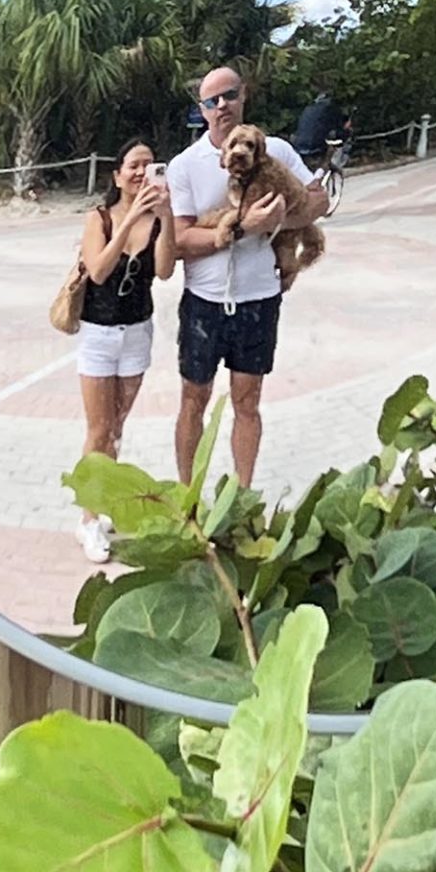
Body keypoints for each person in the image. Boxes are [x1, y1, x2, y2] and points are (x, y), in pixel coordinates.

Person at [167, 65, 327, 488]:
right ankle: (189, 498)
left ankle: (242, 495)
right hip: (204, 299)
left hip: (259, 297)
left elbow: (318, 201)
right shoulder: (186, 165)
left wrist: (285, 217)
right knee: (192, 400)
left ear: (244, 97)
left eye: (229, 95)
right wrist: (244, 226)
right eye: (211, 101)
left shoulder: (277, 151)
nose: (222, 106)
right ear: (201, 110)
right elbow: (180, 240)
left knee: (248, 401)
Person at [74, 138, 176, 564]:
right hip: (98, 335)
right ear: (117, 175)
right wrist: (130, 215)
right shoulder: (99, 218)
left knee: (116, 428)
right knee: (98, 431)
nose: (142, 172)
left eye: (150, 165)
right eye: (134, 165)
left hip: (137, 332)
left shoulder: (155, 222)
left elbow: (167, 270)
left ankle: (103, 501)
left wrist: (165, 217)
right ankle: (87, 519)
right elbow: (97, 271)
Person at [292, 90, 351, 168]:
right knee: (340, 139)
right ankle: (334, 164)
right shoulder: (330, 109)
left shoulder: (309, 108)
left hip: (299, 145)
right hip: (315, 145)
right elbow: (338, 127)